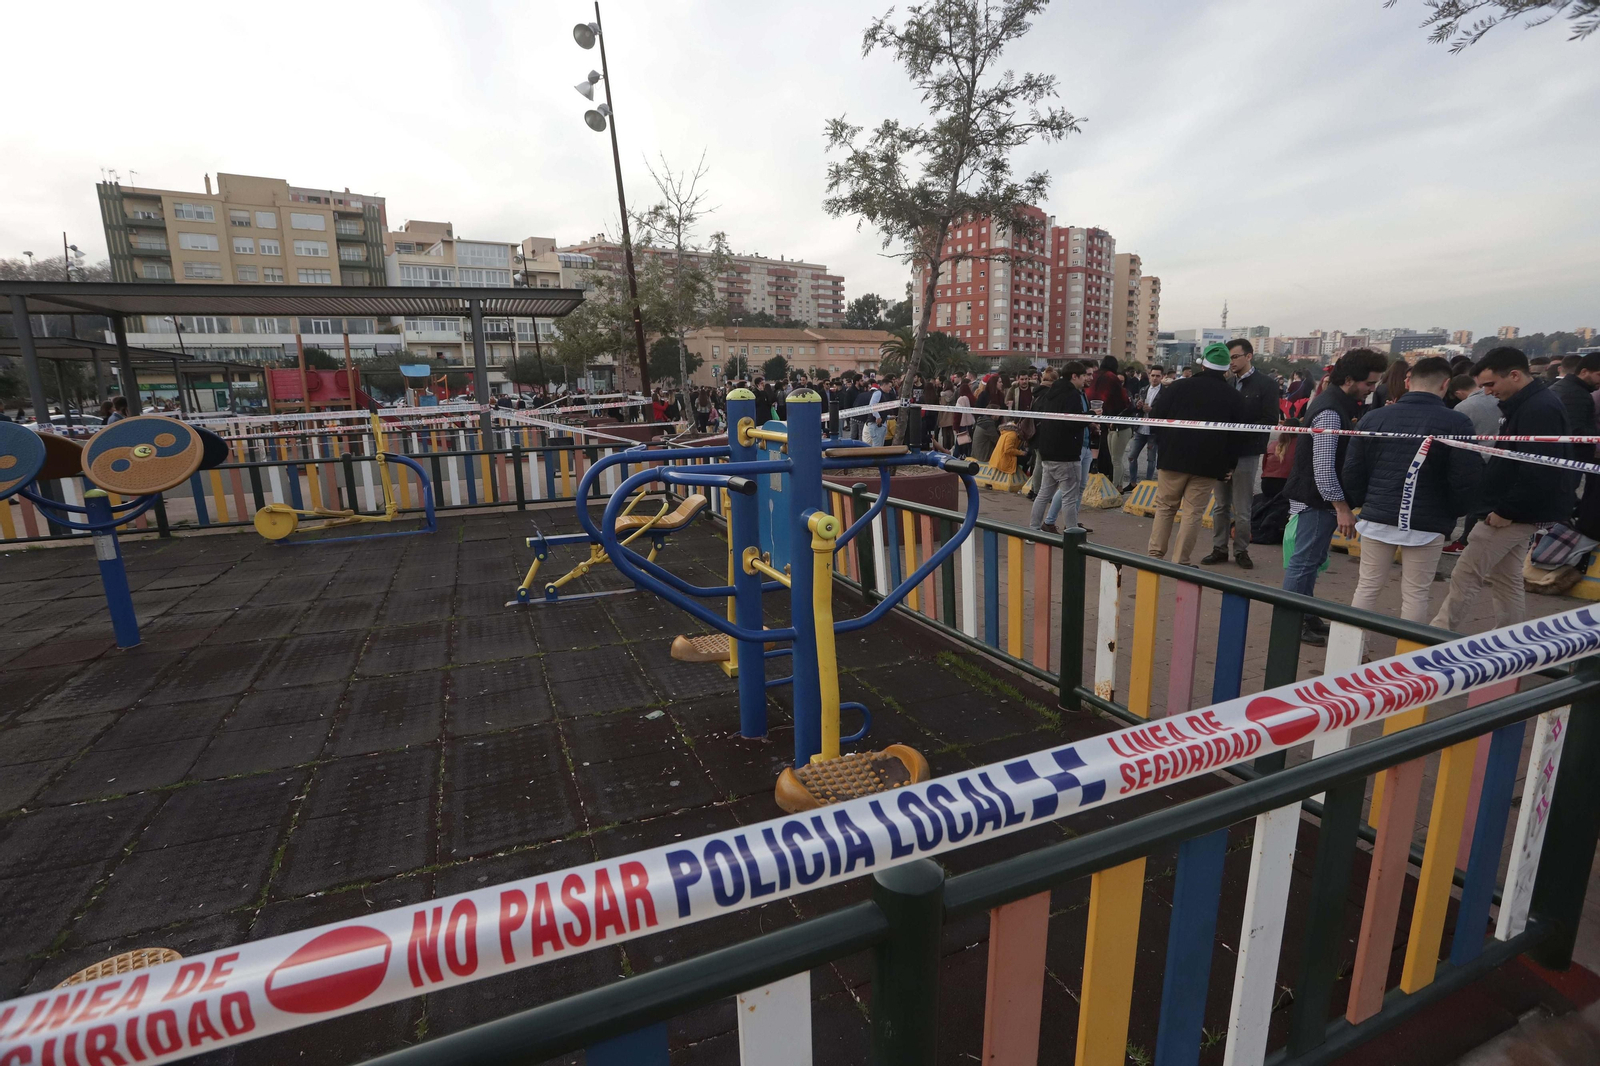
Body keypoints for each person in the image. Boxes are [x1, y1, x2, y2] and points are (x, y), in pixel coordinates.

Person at [1432, 347, 1576, 631]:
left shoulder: (1539, 408)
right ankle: (1511, 638)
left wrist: (1505, 510)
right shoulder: (1533, 403)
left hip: (1512, 511)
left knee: (1467, 573)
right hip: (1520, 508)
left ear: (1514, 375)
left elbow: (1538, 468)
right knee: (1506, 578)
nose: (1486, 392)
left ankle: (1435, 634)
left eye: (1490, 384)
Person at [1341, 358, 1482, 623]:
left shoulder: (1374, 417)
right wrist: (1453, 511)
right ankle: (1406, 659)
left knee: (1367, 586)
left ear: (1407, 381)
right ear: (1446, 383)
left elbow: (1353, 469)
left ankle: (1351, 652)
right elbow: (1466, 477)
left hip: (1378, 515)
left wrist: (1363, 501)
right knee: (1416, 593)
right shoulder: (1457, 423)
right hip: (1428, 521)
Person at [1281, 348, 1389, 645]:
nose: (1372, 390)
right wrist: (1341, 507)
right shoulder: (1330, 409)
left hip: (1318, 498)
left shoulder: (1337, 404)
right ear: (1350, 379)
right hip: (1317, 499)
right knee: (1304, 562)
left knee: (1310, 561)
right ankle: (1293, 620)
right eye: (1369, 384)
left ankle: (1304, 614)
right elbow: (1324, 468)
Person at [1146, 343, 1250, 565]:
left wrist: (1165, 442)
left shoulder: (1177, 387)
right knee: (1193, 513)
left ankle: (1154, 556)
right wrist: (1228, 466)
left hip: (1172, 459)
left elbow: (1156, 418)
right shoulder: (1234, 398)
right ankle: (1181, 561)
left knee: (1165, 507)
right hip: (1208, 465)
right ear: (1225, 368)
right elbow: (1237, 437)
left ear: (1202, 364)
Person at [1202, 340, 1281, 570]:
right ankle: (1219, 548)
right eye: (1229, 358)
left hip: (1246, 453)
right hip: (1222, 453)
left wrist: (1240, 435)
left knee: (1243, 507)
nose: (1231, 362)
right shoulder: (1225, 382)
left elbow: (1269, 420)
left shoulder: (1266, 385)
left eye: (1235, 357)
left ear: (1249, 356)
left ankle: (1241, 550)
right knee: (1220, 505)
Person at [1030, 363, 1091, 533]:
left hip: (1048, 451)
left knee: (1043, 494)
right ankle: (1072, 534)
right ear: (1074, 376)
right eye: (1083, 375)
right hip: (1066, 453)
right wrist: (1090, 417)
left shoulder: (1051, 392)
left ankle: (1033, 531)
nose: (1085, 379)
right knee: (1070, 497)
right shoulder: (1072, 395)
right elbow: (1072, 422)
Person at [1085, 356, 1129, 480]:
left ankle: (1091, 474)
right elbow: (1122, 400)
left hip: (1088, 414)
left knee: (1091, 447)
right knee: (1106, 451)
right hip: (1106, 418)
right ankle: (1105, 478)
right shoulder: (1111, 377)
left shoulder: (1094, 375)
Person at [1123, 365, 1165, 489]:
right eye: (1153, 375)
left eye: (1158, 376)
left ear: (1162, 377)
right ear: (1149, 375)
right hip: (1140, 428)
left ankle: (1148, 484)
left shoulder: (1165, 392)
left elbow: (1166, 411)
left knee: (1151, 459)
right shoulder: (1143, 389)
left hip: (1154, 430)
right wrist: (1138, 405)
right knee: (1131, 456)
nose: (1155, 378)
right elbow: (1136, 407)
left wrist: (1152, 410)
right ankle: (1132, 483)